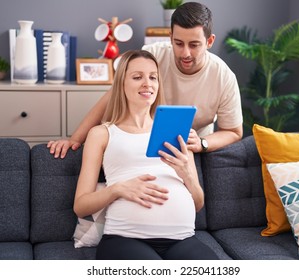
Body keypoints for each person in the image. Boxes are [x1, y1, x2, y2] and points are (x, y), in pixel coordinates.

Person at [48, 1, 243, 158]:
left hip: (190, 152)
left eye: (194, 45)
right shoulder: (152, 56)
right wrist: (74, 140)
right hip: (140, 142)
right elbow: (112, 97)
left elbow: (233, 131)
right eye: (178, 43)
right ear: (170, 37)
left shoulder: (224, 77)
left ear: (209, 42)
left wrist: (203, 144)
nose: (185, 53)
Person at [73, 49, 218, 260]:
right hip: (125, 239)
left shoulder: (175, 131)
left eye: (153, 77)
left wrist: (187, 174)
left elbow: (197, 203)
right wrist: (118, 189)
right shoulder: (102, 134)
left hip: (182, 239)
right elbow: (80, 206)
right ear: (122, 83)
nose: (147, 83)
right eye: (137, 77)